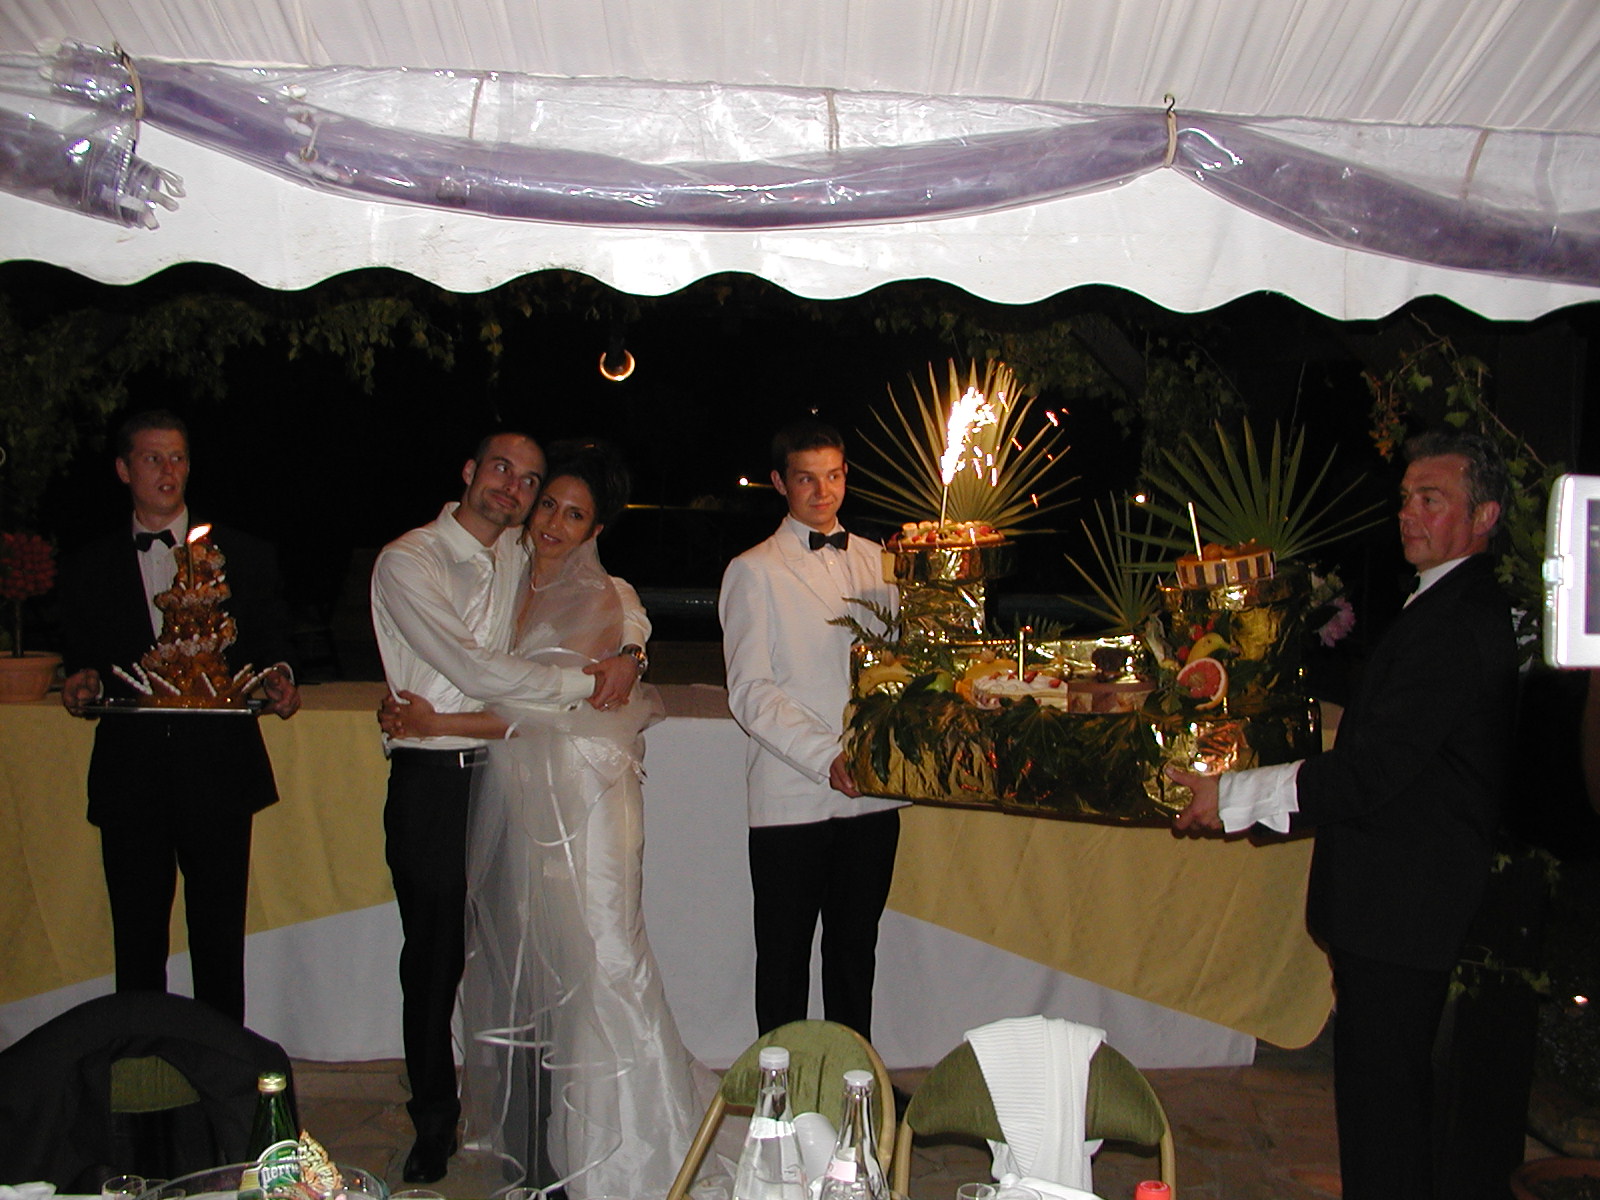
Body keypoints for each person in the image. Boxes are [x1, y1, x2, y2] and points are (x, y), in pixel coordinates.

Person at [1168, 428, 1519, 1200]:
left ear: (1485, 515)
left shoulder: (1457, 623)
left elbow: (1369, 774)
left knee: (1384, 1118)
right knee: (1383, 1109)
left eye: (1432, 499)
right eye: (1406, 498)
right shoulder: (1448, 602)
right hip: (1401, 907)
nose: (1409, 514)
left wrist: (1229, 797)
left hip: (1406, 907)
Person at [379, 439, 707, 1200]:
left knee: (590, 956)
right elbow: (489, 677)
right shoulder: (473, 563)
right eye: (545, 501)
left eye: (571, 512)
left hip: (572, 796)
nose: (551, 519)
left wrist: (630, 652)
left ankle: (610, 1142)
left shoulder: (590, 589)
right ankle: (471, 1128)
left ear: (596, 529)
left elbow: (563, 692)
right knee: (473, 959)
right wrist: (430, 723)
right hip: (490, 787)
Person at [59, 409, 300, 1025]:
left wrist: (279, 677)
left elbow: (272, 640)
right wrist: (82, 680)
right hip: (131, 776)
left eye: (178, 458)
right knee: (136, 943)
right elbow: (85, 656)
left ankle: (222, 1068)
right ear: (123, 470)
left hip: (218, 772)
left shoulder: (242, 554)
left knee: (219, 940)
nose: (169, 470)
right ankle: (141, 1068)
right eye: (153, 458)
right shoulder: (90, 564)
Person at [718, 417, 903, 1040]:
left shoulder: (884, 563)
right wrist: (828, 756)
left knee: (855, 953)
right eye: (806, 479)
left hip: (873, 794)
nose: (822, 492)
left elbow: (903, 670)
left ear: (846, 476)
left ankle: (857, 1078)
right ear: (779, 483)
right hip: (792, 793)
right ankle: (782, 1084)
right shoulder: (753, 570)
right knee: (783, 958)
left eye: (833, 476)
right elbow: (750, 690)